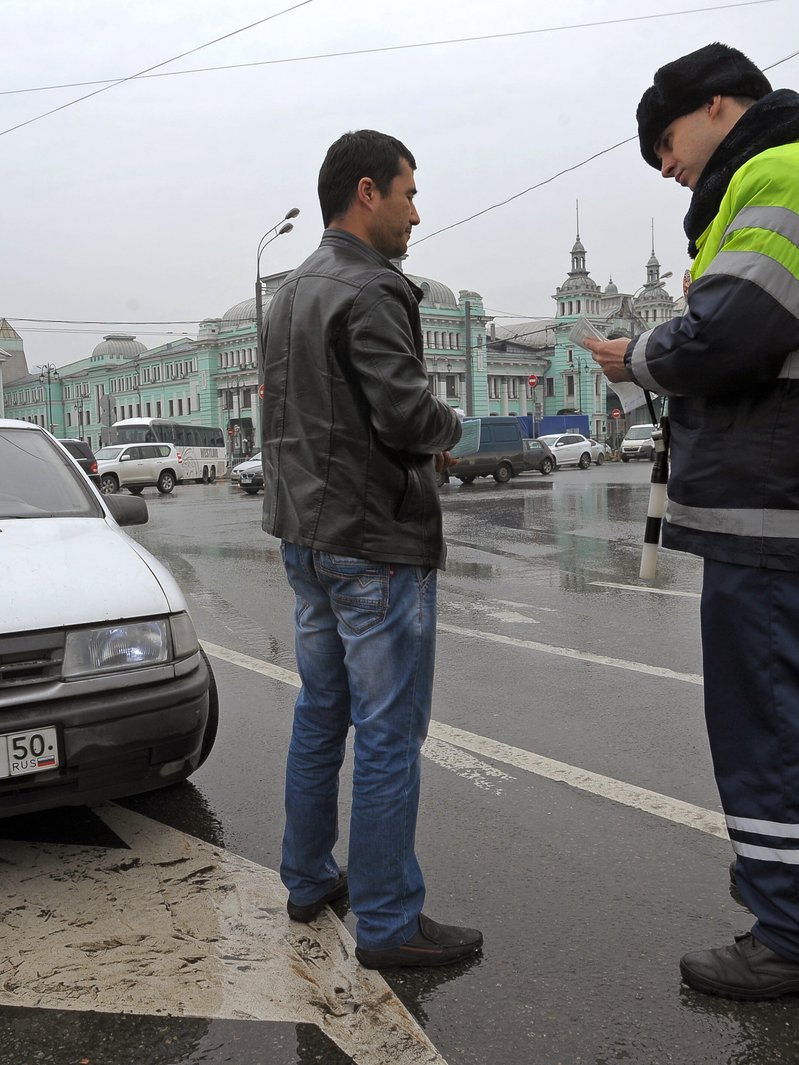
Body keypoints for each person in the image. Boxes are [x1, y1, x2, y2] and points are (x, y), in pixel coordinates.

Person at [580, 43, 799, 1000]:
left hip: (783, 508)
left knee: (768, 725)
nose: (664, 165)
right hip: (798, 500)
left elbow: (730, 332)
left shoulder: (790, 175)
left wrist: (637, 358)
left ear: (722, 107)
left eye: (666, 139)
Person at [260, 129, 478, 970]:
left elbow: (308, 418)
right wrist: (447, 428)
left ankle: (309, 877)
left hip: (306, 537)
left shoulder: (290, 291)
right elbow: (403, 412)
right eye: (408, 193)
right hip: (374, 543)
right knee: (388, 733)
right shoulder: (375, 290)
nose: (416, 213)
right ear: (366, 192)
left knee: (321, 714)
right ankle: (389, 921)